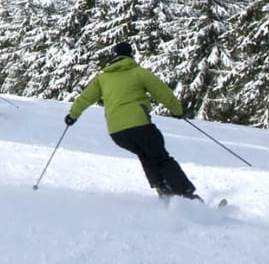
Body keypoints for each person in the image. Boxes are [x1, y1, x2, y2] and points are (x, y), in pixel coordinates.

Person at [65, 41, 199, 200]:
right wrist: (178, 111)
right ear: (130, 55)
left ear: (114, 56)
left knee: (145, 155)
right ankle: (186, 194)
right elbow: (162, 92)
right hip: (140, 125)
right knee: (160, 157)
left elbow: (85, 98)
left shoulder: (102, 77)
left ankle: (163, 190)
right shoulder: (138, 72)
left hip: (118, 133)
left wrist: (72, 116)